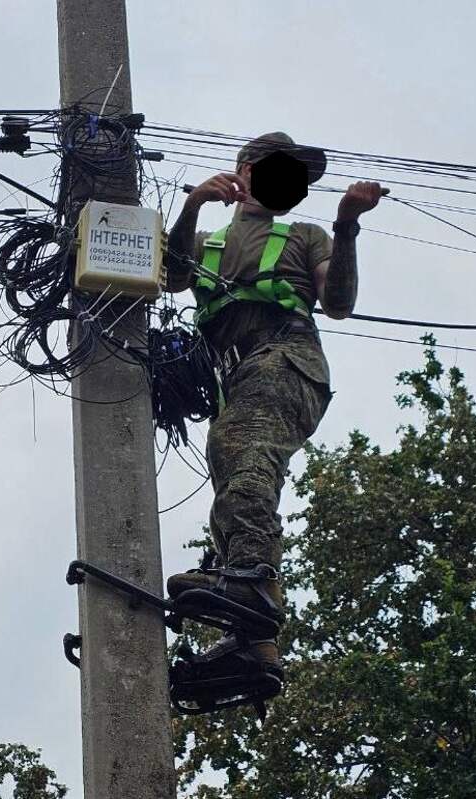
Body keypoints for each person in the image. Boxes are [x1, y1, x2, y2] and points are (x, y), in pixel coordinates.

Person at [165, 132, 388, 679]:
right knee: (237, 467)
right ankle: (253, 638)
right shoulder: (208, 242)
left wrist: (347, 223)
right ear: (243, 171)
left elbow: (338, 303)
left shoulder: (307, 235)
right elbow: (170, 277)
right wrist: (193, 203)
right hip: (236, 375)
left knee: (242, 452)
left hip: (285, 358)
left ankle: (249, 576)